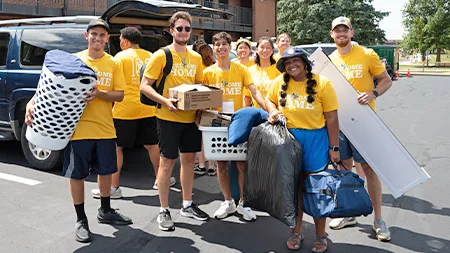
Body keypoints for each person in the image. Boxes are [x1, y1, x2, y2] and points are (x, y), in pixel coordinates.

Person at [25, 19, 132, 243]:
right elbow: (50, 86)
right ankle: (81, 219)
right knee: (77, 175)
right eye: (93, 33)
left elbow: (120, 95)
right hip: (76, 129)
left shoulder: (113, 63)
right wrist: (32, 102)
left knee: (106, 172)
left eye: (102, 35)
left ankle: (105, 210)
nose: (97, 38)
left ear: (107, 39)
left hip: (105, 129)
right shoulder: (74, 61)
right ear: (86, 35)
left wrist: (100, 93)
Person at [266, 47, 340, 252]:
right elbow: (269, 98)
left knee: (317, 190)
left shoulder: (322, 83)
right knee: (294, 189)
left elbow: (332, 117)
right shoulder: (279, 81)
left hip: (316, 140)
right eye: (287, 62)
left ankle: (320, 235)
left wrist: (334, 147)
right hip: (289, 140)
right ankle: (296, 232)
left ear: (305, 62)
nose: (291, 65)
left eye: (295, 60)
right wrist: (272, 110)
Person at [140, 11, 209, 231]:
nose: (183, 32)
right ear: (171, 31)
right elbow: (144, 85)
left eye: (187, 29)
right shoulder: (161, 55)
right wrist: (165, 101)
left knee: (188, 161)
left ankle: (187, 204)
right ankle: (164, 210)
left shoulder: (196, 58)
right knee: (167, 163)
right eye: (179, 28)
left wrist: (201, 108)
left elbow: (198, 87)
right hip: (167, 117)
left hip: (190, 119)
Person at [328, 16, 393, 241]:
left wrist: (373, 93)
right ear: (332, 34)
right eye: (337, 31)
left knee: (369, 171)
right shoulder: (331, 60)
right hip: (340, 124)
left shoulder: (366, 54)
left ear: (352, 33)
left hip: (364, 123)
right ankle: (350, 213)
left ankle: (378, 219)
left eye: (345, 30)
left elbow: (386, 80)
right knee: (345, 169)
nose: (341, 34)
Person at [91, 27, 176, 199]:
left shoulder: (119, 58)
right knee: (152, 145)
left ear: (126, 41)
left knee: (117, 147)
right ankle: (161, 179)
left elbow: (113, 83)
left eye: (121, 40)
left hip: (124, 109)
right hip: (147, 107)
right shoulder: (150, 55)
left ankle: (113, 188)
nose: (120, 43)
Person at [203, 31, 266, 221]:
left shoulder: (241, 70)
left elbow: (254, 91)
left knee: (241, 164)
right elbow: (202, 98)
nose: (221, 48)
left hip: (238, 121)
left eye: (224, 44)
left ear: (230, 47)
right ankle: (228, 201)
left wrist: (269, 109)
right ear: (213, 48)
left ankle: (243, 203)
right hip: (216, 121)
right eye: (217, 45)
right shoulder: (208, 72)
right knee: (220, 163)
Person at [193, 42, 217, 176]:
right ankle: (212, 166)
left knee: (200, 136)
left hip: (201, 104)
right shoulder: (214, 66)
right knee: (213, 137)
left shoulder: (197, 66)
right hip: (214, 103)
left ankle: (201, 165)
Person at [243, 36, 281, 107]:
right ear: (257, 50)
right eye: (262, 47)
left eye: (268, 48)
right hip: (257, 113)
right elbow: (247, 96)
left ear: (272, 50)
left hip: (275, 112)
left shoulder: (278, 69)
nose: (265, 50)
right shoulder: (249, 70)